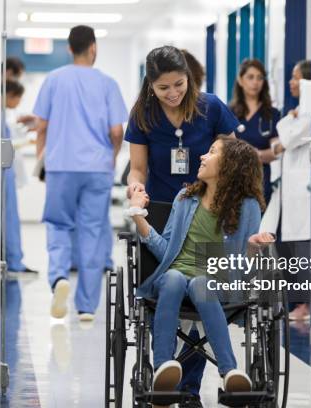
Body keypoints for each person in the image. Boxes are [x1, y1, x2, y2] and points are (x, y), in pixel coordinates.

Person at [125, 46, 239, 407]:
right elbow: (138, 168)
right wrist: (135, 186)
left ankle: (188, 390)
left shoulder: (211, 108)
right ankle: (163, 375)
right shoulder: (143, 114)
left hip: (207, 211)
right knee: (171, 287)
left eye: (179, 84)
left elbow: (232, 161)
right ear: (151, 87)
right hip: (160, 211)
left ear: (189, 78)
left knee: (200, 291)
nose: (173, 93)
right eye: (163, 88)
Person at [128, 138, 274, 405]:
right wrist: (138, 215)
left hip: (217, 284)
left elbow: (241, 268)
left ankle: (229, 372)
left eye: (212, 152)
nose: (202, 157)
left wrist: (252, 249)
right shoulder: (185, 198)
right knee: (172, 277)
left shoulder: (248, 206)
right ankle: (163, 369)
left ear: (231, 165)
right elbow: (165, 249)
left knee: (201, 284)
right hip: (175, 278)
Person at [32, 25, 127, 322]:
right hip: (97, 167)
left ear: (69, 49)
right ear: (94, 48)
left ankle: (59, 277)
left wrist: (41, 159)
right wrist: (110, 157)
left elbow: (42, 126)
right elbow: (116, 130)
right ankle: (86, 306)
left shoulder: (54, 80)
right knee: (92, 231)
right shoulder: (108, 84)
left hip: (61, 165)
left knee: (59, 225)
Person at [268, 60, 311, 321]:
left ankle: (303, 305)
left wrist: (285, 129)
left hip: (300, 191)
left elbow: (283, 140)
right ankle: (293, 301)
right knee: (284, 246)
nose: (291, 82)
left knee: (298, 249)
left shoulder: (309, 114)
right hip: (288, 190)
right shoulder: (297, 113)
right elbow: (280, 142)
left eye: (296, 78)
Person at [229, 59, 281, 206]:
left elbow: (275, 149)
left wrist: (256, 155)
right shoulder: (229, 112)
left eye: (259, 78)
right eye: (250, 77)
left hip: (261, 181)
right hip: (234, 180)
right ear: (240, 80)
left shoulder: (272, 114)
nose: (255, 82)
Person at [3, 80, 38, 274]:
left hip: (7, 171)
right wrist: (27, 140)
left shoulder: (3, 117)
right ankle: (13, 261)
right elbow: (5, 143)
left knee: (10, 217)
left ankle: (14, 260)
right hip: (4, 170)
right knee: (9, 217)